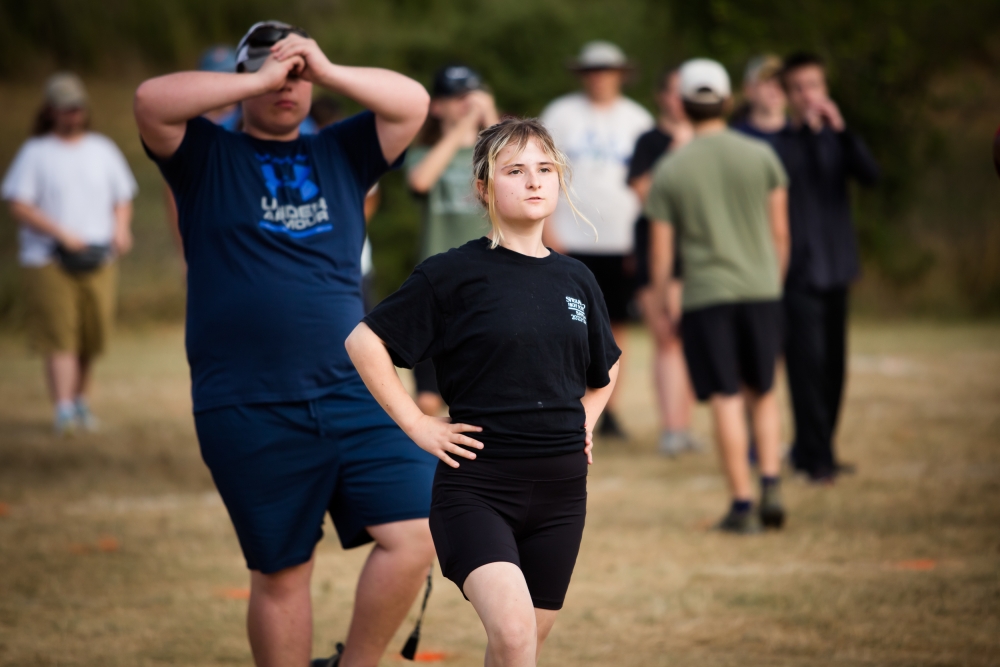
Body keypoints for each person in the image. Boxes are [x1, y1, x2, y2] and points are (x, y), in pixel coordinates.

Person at [134, 21, 434, 667]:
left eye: (296, 77)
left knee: (417, 531)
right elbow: (151, 100)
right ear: (243, 81)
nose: (286, 86)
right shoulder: (204, 154)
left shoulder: (341, 150)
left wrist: (324, 69)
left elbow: (413, 102)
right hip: (248, 400)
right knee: (282, 570)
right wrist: (261, 78)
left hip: (356, 388)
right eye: (271, 74)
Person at [346, 118, 621, 667]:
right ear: (483, 187)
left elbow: (606, 365)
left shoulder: (577, 278)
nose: (534, 181)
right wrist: (417, 424)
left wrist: (586, 421)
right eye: (514, 171)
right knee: (515, 636)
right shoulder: (452, 274)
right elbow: (364, 341)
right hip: (478, 491)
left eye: (545, 169)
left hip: (563, 497)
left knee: (517, 647)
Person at [646, 59, 790, 534]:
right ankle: (771, 482)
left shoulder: (670, 168)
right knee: (763, 392)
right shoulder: (762, 155)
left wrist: (662, 303)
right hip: (762, 290)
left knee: (727, 397)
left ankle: (742, 506)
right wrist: (772, 282)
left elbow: (662, 253)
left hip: (707, 296)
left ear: (683, 106)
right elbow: (781, 233)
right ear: (728, 101)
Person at [2, 72, 137, 435]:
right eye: (65, 108)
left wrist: (121, 229)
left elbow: (123, 197)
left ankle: (80, 402)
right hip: (49, 259)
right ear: (50, 111)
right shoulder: (36, 152)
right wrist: (61, 233)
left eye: (77, 108)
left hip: (99, 257)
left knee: (91, 336)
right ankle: (63, 408)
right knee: (61, 334)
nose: (72, 114)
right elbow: (19, 203)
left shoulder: (102, 149)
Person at [773, 53, 880, 483]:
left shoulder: (839, 139)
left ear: (825, 88)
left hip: (837, 268)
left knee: (835, 366)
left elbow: (871, 176)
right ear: (788, 94)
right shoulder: (781, 144)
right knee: (806, 368)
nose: (807, 95)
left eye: (814, 85)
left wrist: (841, 131)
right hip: (798, 274)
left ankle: (822, 450)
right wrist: (805, 132)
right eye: (798, 88)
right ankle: (812, 457)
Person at [541, 41, 654, 439]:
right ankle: (567, 403)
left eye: (607, 71)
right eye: (592, 71)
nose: (600, 78)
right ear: (582, 75)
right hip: (570, 239)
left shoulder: (637, 119)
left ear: (620, 74)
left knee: (615, 326)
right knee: (567, 325)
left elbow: (648, 184)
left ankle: (609, 410)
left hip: (621, 241)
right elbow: (543, 171)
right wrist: (549, 232)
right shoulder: (561, 114)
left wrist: (642, 242)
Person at [405, 64, 500, 416]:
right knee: (429, 399)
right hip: (438, 277)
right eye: (457, 97)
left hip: (489, 273)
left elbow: (512, 167)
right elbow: (420, 181)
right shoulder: (423, 152)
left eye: (472, 95)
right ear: (437, 106)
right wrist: (462, 127)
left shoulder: (492, 156)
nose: (466, 104)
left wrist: (490, 118)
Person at [626, 66, 699, 457]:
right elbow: (644, 193)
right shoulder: (649, 141)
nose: (680, 98)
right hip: (656, 248)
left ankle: (684, 427)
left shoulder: (707, 138)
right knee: (666, 337)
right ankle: (671, 429)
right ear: (661, 96)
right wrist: (676, 149)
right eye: (674, 90)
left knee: (689, 341)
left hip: (698, 250)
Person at [731, 54, 787, 142]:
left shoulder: (803, 136)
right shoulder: (734, 138)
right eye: (767, 83)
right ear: (748, 90)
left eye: (780, 83)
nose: (775, 91)